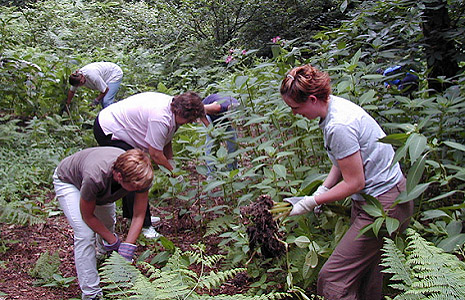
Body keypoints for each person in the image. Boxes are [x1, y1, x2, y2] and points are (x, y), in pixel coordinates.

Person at [281, 65, 414, 300]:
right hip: (379, 199)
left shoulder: (338, 125)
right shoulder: (333, 107)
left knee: (334, 279)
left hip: (384, 205)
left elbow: (354, 182)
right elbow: (346, 160)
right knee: (365, 276)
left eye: (295, 107)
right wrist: (325, 187)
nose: (294, 113)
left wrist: (312, 201)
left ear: (312, 99)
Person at [93, 91, 205, 238]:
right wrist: (173, 173)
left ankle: (132, 217)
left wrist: (171, 164)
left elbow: (165, 140)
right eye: (189, 120)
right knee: (136, 174)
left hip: (119, 126)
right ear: (181, 112)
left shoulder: (172, 109)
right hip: (109, 129)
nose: (189, 123)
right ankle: (144, 226)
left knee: (133, 174)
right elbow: (156, 154)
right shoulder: (161, 117)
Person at [53, 147, 153, 300]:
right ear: (119, 176)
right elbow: (87, 215)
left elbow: (139, 215)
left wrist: (128, 247)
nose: (138, 190)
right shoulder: (95, 176)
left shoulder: (141, 176)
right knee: (85, 234)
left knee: (107, 224)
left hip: (100, 189)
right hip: (70, 181)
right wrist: (113, 240)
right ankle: (91, 293)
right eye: (135, 188)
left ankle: (103, 258)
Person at [202, 94, 239, 177]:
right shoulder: (217, 107)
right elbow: (201, 110)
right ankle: (211, 173)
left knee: (233, 143)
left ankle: (232, 170)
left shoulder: (238, 107)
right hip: (207, 114)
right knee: (210, 142)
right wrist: (211, 130)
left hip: (224, 116)